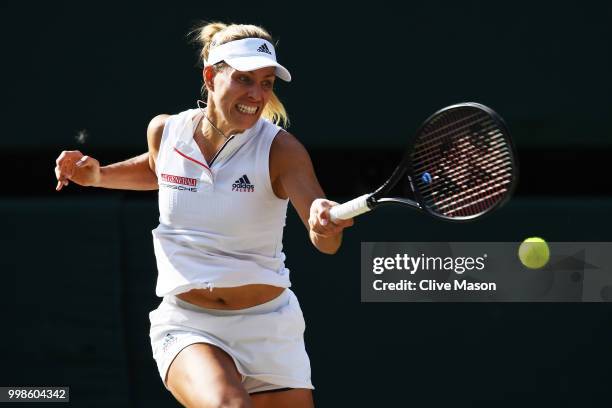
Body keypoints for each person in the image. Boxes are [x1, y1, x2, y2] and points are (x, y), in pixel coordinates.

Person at [54, 21, 353, 408]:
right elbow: (160, 169)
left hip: (271, 327)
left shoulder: (283, 150)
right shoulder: (166, 131)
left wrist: (324, 223)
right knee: (229, 405)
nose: (256, 94)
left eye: (266, 83)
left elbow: (325, 239)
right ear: (211, 77)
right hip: (189, 323)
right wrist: (98, 175)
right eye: (244, 79)